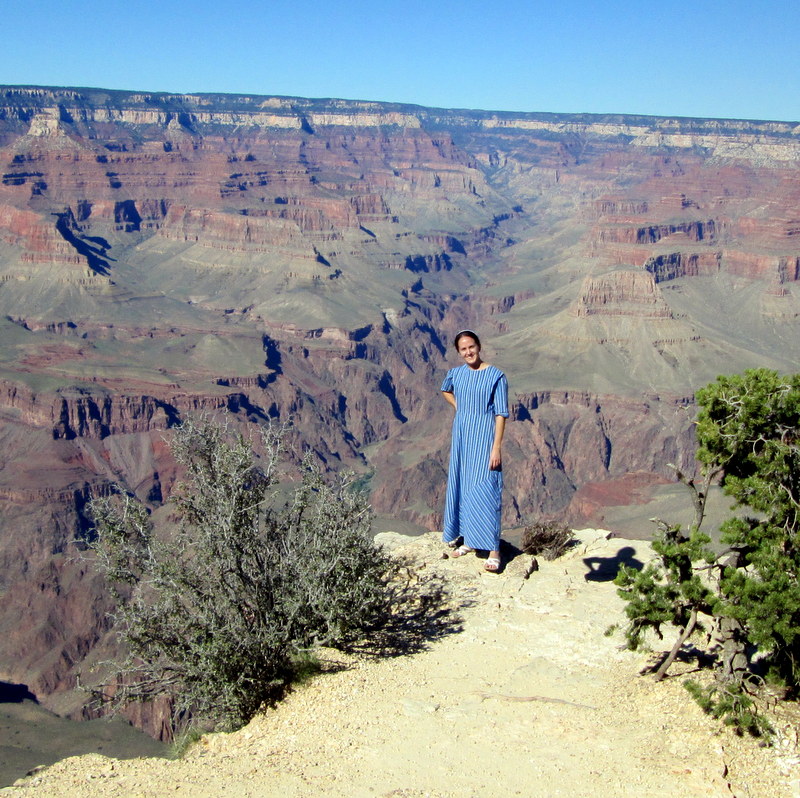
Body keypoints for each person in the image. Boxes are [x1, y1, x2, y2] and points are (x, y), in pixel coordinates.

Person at [441, 330, 509, 572]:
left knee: (487, 489)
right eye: (463, 349)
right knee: (464, 486)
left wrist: (496, 448)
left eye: (471, 347)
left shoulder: (496, 376)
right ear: (458, 352)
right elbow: (445, 390)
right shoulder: (456, 374)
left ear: (479, 346)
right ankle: (469, 540)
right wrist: (461, 407)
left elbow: (501, 413)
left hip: (484, 438)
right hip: (462, 437)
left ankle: (493, 549)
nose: (468, 352)